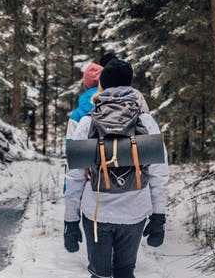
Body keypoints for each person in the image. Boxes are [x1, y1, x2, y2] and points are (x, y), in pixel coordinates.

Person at [64, 59, 169, 278]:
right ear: (131, 84)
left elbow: (74, 177)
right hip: (134, 212)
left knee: (100, 275)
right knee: (124, 272)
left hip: (96, 212)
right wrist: (158, 216)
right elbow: (159, 173)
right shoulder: (146, 121)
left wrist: (70, 221)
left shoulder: (87, 122)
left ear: (102, 84)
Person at [64, 53, 149, 193]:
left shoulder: (83, 116)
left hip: (96, 192)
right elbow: (155, 163)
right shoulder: (138, 102)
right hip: (135, 192)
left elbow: (73, 160)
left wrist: (71, 201)